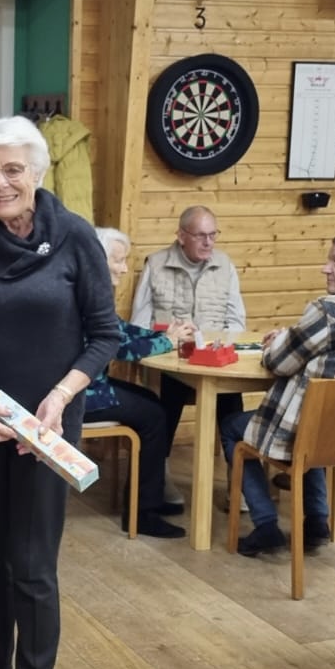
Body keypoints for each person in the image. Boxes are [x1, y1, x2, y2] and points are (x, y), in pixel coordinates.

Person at [0, 116, 119, 669]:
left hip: (48, 427)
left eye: (12, 170)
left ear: (38, 173)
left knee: (33, 566)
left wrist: (61, 397)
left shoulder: (75, 237)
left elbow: (105, 334)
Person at [221, 231, 335, 555]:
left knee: (232, 427)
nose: (325, 268)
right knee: (318, 424)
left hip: (310, 432)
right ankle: (317, 520)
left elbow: (278, 362)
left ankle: (265, 524)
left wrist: (279, 340)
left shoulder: (328, 310)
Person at [129, 205, 246, 501]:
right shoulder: (156, 264)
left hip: (213, 359)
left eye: (213, 235)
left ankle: (239, 480)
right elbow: (139, 324)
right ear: (181, 236)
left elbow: (237, 322)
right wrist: (170, 338)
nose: (208, 242)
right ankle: (160, 474)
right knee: (170, 391)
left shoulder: (225, 265)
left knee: (231, 395)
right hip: (171, 361)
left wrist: (219, 344)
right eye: (200, 236)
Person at [85, 226, 196, 538]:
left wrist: (162, 335)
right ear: (97, 260)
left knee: (152, 404)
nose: (124, 268)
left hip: (88, 387)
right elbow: (118, 346)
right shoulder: (88, 296)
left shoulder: (88, 290)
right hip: (82, 396)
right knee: (154, 415)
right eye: (118, 260)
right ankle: (142, 513)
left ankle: (148, 499)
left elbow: (120, 330)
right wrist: (167, 343)